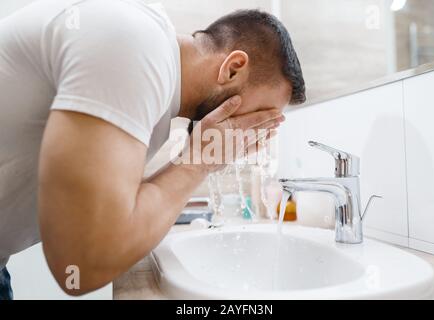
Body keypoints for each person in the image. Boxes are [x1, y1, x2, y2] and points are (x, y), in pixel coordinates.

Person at [0, 0, 305, 298]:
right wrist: (199, 161)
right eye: (261, 116)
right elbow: (82, 262)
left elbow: (116, 216)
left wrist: (199, 160)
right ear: (233, 68)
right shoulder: (135, 45)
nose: (256, 136)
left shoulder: (153, 92)